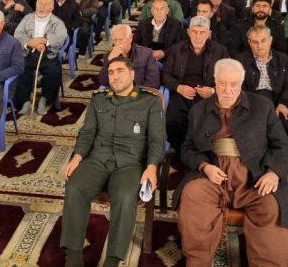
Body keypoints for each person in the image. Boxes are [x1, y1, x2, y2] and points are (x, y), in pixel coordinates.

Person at [176, 58, 288, 267]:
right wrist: (205, 167)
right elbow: (187, 149)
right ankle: (198, 260)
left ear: (242, 83)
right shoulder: (198, 111)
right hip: (213, 180)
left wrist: (273, 173)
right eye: (222, 84)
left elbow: (282, 146)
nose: (228, 90)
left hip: (254, 180)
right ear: (214, 81)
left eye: (234, 84)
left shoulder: (262, 107)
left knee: (272, 208)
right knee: (192, 194)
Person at [61, 56, 165, 267]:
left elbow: (157, 139)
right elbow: (87, 132)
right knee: (74, 187)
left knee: (125, 197)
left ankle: (113, 259)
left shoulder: (150, 101)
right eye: (111, 72)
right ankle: (73, 256)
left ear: (132, 74)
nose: (115, 77)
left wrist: (152, 166)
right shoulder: (98, 99)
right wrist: (78, 156)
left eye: (120, 71)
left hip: (130, 162)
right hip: (98, 158)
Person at [162, 16, 229, 152]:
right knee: (172, 120)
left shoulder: (220, 51)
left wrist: (213, 91)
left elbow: (228, 77)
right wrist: (178, 87)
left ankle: (199, 153)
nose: (198, 36)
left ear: (209, 33)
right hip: (182, 93)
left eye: (202, 32)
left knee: (205, 122)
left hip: (207, 95)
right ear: (188, 32)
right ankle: (180, 152)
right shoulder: (177, 49)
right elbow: (165, 75)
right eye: (194, 32)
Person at [13, 0, 68, 115]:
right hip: (28, 52)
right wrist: (30, 42)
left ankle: (45, 99)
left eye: (46, 4)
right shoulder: (27, 18)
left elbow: (60, 38)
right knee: (21, 68)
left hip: (48, 54)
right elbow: (18, 34)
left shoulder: (57, 22)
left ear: (52, 8)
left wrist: (44, 41)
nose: (42, 7)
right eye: (40, 3)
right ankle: (24, 100)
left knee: (53, 71)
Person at [235, 25, 288, 136]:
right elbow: (238, 87)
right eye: (255, 42)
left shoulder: (283, 59)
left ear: (270, 40)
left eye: (263, 41)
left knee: (287, 125)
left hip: (276, 101)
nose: (260, 46)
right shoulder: (240, 60)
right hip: (251, 101)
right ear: (249, 42)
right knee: (254, 126)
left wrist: (283, 103)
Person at [98, 24, 159, 88]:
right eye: (115, 40)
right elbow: (104, 82)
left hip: (139, 91)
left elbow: (153, 81)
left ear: (130, 38)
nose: (117, 43)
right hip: (119, 91)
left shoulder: (146, 53)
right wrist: (108, 61)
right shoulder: (109, 56)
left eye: (121, 39)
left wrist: (136, 92)